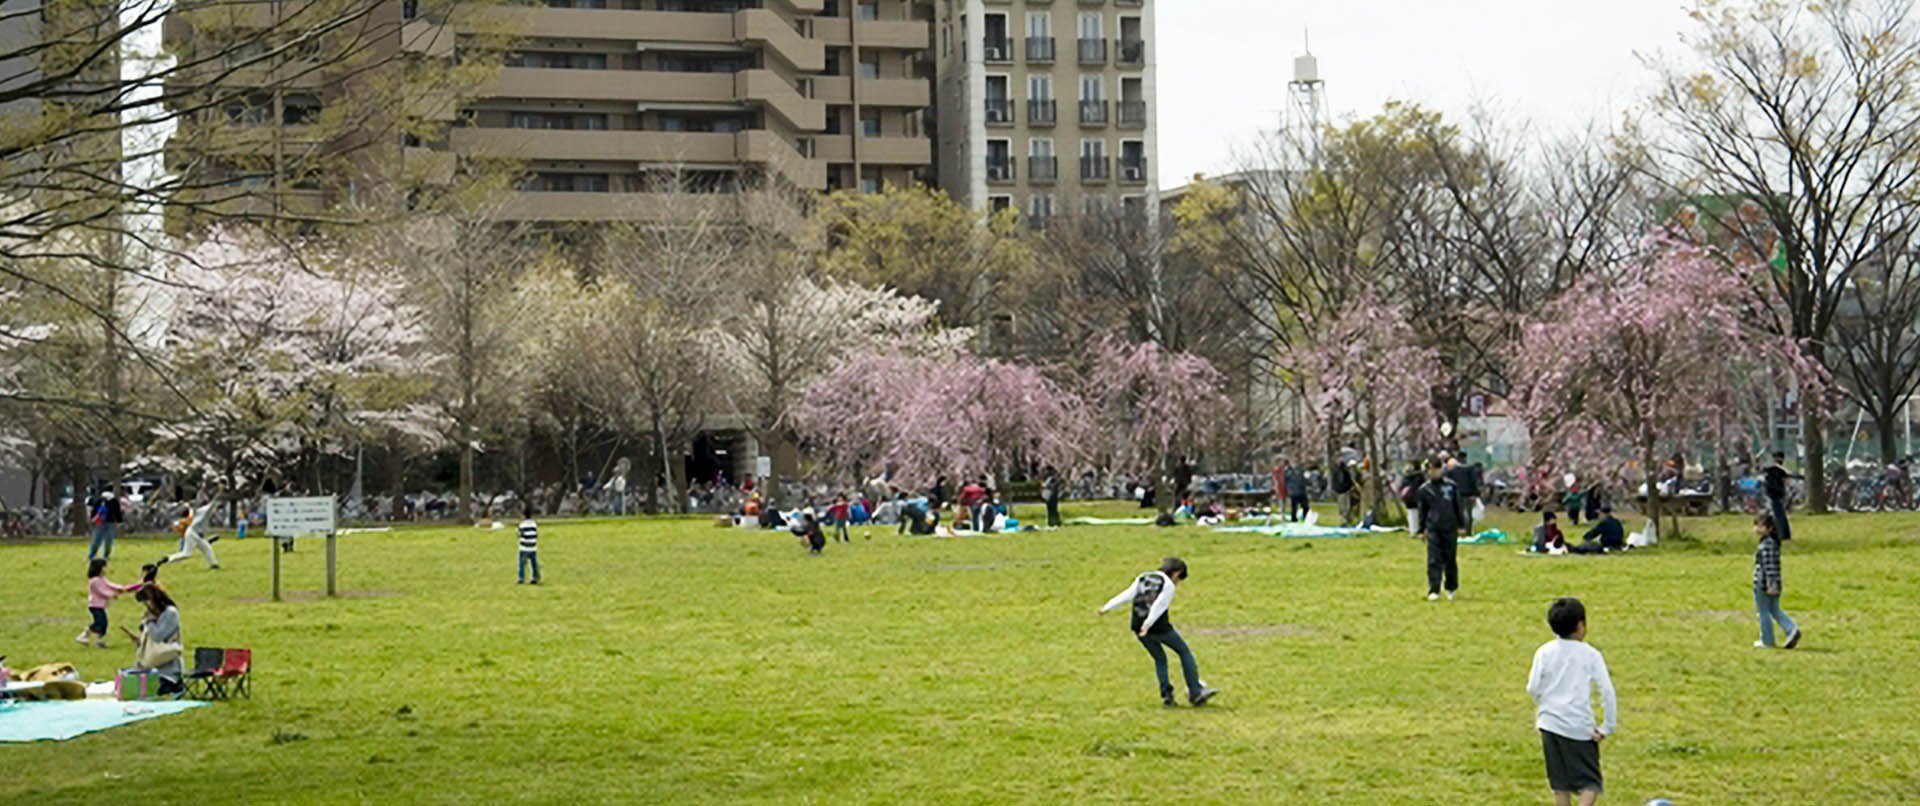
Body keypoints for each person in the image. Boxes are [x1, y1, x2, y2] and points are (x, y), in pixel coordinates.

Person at [1526, 597, 1617, 806]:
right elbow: (1607, 691)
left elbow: (1532, 687)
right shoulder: (1590, 655)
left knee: (1560, 785)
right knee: (1590, 784)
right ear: (1581, 625)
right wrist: (1606, 726)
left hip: (1549, 724)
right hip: (1579, 726)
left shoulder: (1544, 651)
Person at [1097, 557, 1220, 708]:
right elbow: (1159, 605)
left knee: (1160, 659)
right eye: (1179, 579)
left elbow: (1127, 594)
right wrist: (1148, 624)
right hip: (1157, 627)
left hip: (1137, 625)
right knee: (1184, 652)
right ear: (1176, 573)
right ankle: (1195, 691)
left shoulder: (1144, 577)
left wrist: (1107, 607)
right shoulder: (1168, 585)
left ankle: (1166, 696)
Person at [1414, 458, 1465, 601]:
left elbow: (1457, 507)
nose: (1435, 472)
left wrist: (1461, 525)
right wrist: (1421, 529)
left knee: (1450, 558)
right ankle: (1434, 588)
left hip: (1450, 526)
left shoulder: (1451, 487)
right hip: (1434, 528)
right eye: (1432, 469)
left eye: (1438, 469)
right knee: (1433, 559)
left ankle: (1451, 587)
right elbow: (1422, 511)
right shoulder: (1424, 490)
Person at [122, 585, 184, 697]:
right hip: (150, 668)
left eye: (147, 602)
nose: (147, 606)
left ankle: (176, 686)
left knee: (148, 691)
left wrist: (149, 621)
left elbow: (158, 636)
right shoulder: (154, 616)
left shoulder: (170, 613)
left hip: (167, 671)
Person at [1752, 513, 1802, 649]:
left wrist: (1771, 584)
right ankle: (1791, 629)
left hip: (1763, 584)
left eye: (1761, 526)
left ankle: (1767, 640)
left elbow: (1770, 567)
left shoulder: (1767, 545)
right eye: (1755, 525)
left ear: (1768, 528)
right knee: (1774, 609)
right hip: (1771, 583)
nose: (1757, 529)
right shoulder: (1771, 543)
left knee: (1763, 611)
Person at [76, 559, 143, 648]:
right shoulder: (94, 581)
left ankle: (100, 641)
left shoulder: (102, 579)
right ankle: (85, 634)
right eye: (104, 567)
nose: (106, 569)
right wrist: (113, 594)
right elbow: (102, 591)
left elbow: (110, 585)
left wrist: (123, 588)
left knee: (104, 624)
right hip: (95, 606)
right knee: (99, 622)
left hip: (101, 606)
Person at [159, 498, 220, 571]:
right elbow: (213, 503)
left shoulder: (201, 510)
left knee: (207, 548)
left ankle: (214, 565)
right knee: (187, 554)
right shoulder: (205, 510)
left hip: (196, 533)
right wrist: (221, 493)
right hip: (192, 533)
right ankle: (168, 559)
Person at [1446, 451, 1483, 535]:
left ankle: (1460, 529)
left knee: (1459, 512)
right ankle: (1468, 531)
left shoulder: (1453, 470)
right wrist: (1476, 493)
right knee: (1469, 513)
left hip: (1457, 494)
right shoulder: (1470, 469)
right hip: (1469, 494)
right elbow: (1474, 481)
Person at [516, 506, 541, 584]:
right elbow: (536, 534)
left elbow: (520, 535)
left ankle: (521, 578)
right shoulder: (534, 524)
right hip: (533, 547)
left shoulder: (522, 525)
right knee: (533, 563)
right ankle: (534, 578)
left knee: (522, 563)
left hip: (524, 547)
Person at [1331, 460, 1358, 526]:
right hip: (1343, 492)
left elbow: (1335, 482)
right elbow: (1349, 482)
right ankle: (1345, 520)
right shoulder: (1343, 472)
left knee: (1344, 507)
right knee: (1345, 507)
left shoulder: (1339, 472)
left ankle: (1345, 520)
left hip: (1342, 492)